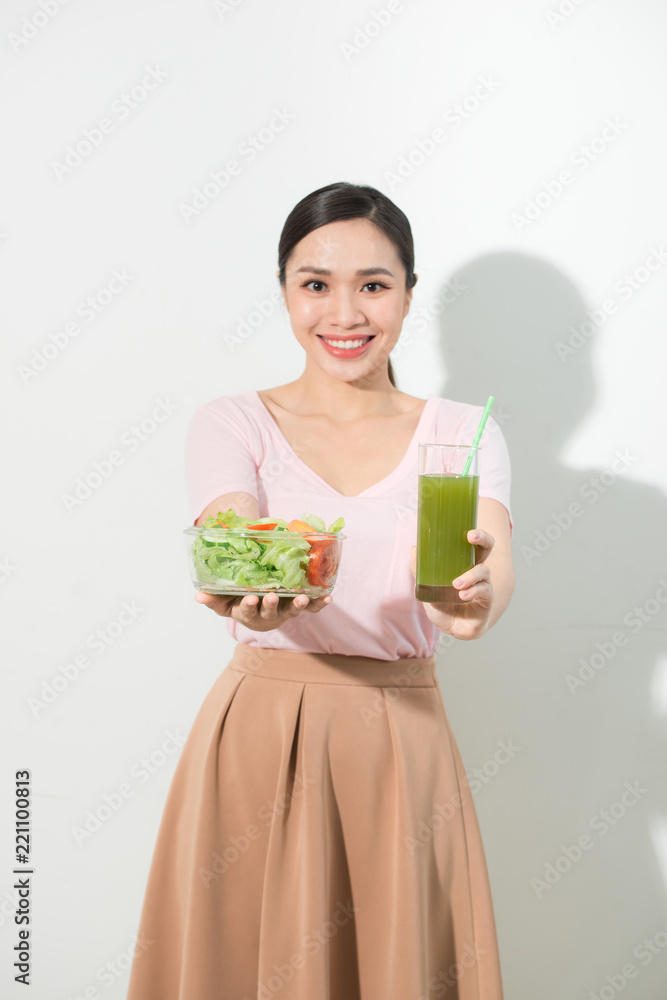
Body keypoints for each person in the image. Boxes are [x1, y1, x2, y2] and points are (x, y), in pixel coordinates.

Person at [126, 181, 514, 1000]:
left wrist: (475, 602)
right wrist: (242, 587)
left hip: (399, 739)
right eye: (315, 285)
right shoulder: (234, 422)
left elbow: (489, 557)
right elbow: (235, 534)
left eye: (373, 285)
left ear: (409, 292)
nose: (345, 313)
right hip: (258, 737)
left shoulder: (457, 433)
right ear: (284, 293)